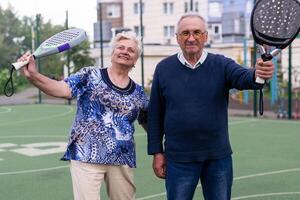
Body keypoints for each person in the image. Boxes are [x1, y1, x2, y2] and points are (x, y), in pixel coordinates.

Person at [147, 13, 274, 200]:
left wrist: (260, 73)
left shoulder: (221, 64)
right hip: (178, 159)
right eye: (185, 33)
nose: (191, 38)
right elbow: (155, 114)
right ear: (177, 38)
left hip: (217, 158)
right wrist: (157, 152)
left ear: (206, 36)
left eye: (197, 32)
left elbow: (246, 77)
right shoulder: (163, 68)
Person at [18, 32, 148, 200]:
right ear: (112, 52)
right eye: (121, 47)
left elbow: (147, 120)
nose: (125, 51)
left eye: (131, 50)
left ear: (136, 59)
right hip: (86, 154)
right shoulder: (90, 75)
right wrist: (34, 76)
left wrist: (159, 151)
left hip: (122, 158)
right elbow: (62, 89)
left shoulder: (138, 93)